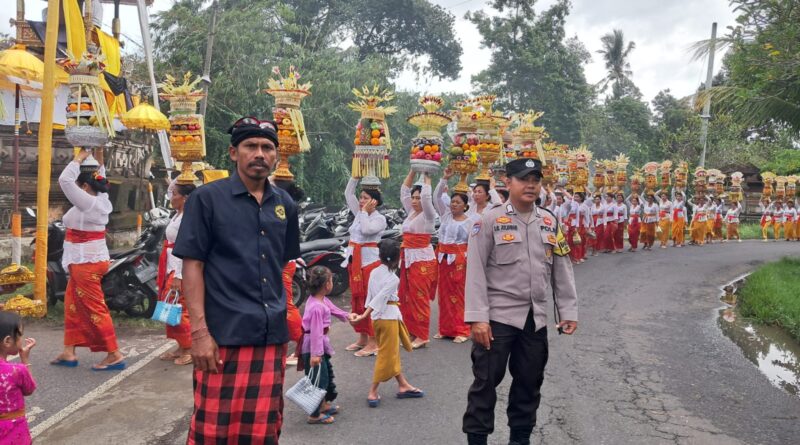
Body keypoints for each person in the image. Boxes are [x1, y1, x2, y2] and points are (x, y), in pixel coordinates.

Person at [173, 117, 300, 444]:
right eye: (250, 146)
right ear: (234, 152)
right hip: (222, 335)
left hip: (270, 335)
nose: (259, 154)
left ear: (276, 155)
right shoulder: (207, 199)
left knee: (263, 429)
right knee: (213, 430)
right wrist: (199, 333)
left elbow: (280, 265)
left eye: (267, 147)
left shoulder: (285, 204)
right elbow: (193, 265)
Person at [463, 158, 578, 445]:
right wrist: (478, 318)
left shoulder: (549, 221)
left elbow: (561, 267)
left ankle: (520, 439)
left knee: (529, 384)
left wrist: (567, 310)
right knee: (485, 384)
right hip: (497, 319)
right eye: (524, 179)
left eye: (535, 180)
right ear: (508, 182)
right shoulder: (488, 220)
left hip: (535, 320)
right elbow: (475, 270)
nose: (530, 185)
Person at [52, 148, 125, 371]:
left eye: (79, 185)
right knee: (72, 304)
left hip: (86, 263)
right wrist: (98, 153)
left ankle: (114, 354)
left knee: (95, 308)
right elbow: (100, 174)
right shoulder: (101, 197)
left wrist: (80, 157)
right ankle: (69, 351)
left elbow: (65, 181)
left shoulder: (88, 202)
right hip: (84, 261)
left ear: (84, 187)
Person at [350, 239, 424, 408]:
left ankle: (403, 384)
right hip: (388, 318)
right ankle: (373, 391)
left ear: (380, 256)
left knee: (391, 352)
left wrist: (367, 314)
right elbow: (380, 298)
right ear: (397, 259)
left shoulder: (374, 272)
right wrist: (363, 316)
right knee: (386, 355)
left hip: (377, 318)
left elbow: (371, 297)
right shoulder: (393, 279)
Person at [297, 266, 350, 425]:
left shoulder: (319, 299)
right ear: (327, 284)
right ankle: (314, 415)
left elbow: (333, 309)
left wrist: (348, 315)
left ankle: (324, 405)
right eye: (331, 280)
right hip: (314, 348)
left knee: (326, 374)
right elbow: (315, 333)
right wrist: (315, 355)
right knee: (318, 381)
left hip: (319, 346)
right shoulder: (316, 307)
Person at [342, 177, 386, 357]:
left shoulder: (379, 218)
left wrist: (365, 213)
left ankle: (374, 341)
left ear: (374, 201)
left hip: (369, 264)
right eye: (361, 197)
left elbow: (367, 230)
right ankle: (362, 337)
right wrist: (355, 177)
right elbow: (348, 194)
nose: (361, 201)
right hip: (355, 263)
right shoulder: (359, 213)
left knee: (370, 301)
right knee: (357, 300)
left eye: (365, 198)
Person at [157, 176, 196, 366]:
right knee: (169, 306)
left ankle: (190, 349)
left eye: (174, 194)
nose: (170, 197)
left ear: (185, 198)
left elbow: (186, 248)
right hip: (170, 266)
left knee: (179, 308)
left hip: (180, 269)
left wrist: (179, 276)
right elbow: (172, 188)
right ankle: (181, 345)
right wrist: (182, 172)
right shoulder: (178, 214)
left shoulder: (189, 218)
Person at [433, 168, 474, 343]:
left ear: (465, 205)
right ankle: (445, 328)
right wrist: (444, 179)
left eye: (458, 202)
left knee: (458, 295)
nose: (454, 204)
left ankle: (461, 330)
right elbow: (436, 197)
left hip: (459, 261)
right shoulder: (446, 216)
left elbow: (473, 244)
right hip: (443, 259)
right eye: (453, 201)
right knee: (443, 295)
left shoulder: (470, 221)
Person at [398, 170, 438, 349]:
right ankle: (412, 331)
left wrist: (428, 178)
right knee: (408, 297)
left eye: (418, 198)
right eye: (413, 198)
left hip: (422, 260)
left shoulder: (428, 215)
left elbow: (427, 199)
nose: (414, 201)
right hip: (408, 258)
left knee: (420, 297)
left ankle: (422, 335)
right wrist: (413, 170)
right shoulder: (411, 212)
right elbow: (404, 192)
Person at [273, 178, 308, 367]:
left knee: (286, 306)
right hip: (277, 261)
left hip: (282, 262)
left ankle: (303, 344)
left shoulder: (283, 209)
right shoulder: (281, 206)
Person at [0, 312, 36, 445]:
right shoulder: (16, 370)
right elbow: (29, 389)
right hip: (14, 434)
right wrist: (25, 360)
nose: (22, 339)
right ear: (8, 341)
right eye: (20, 335)